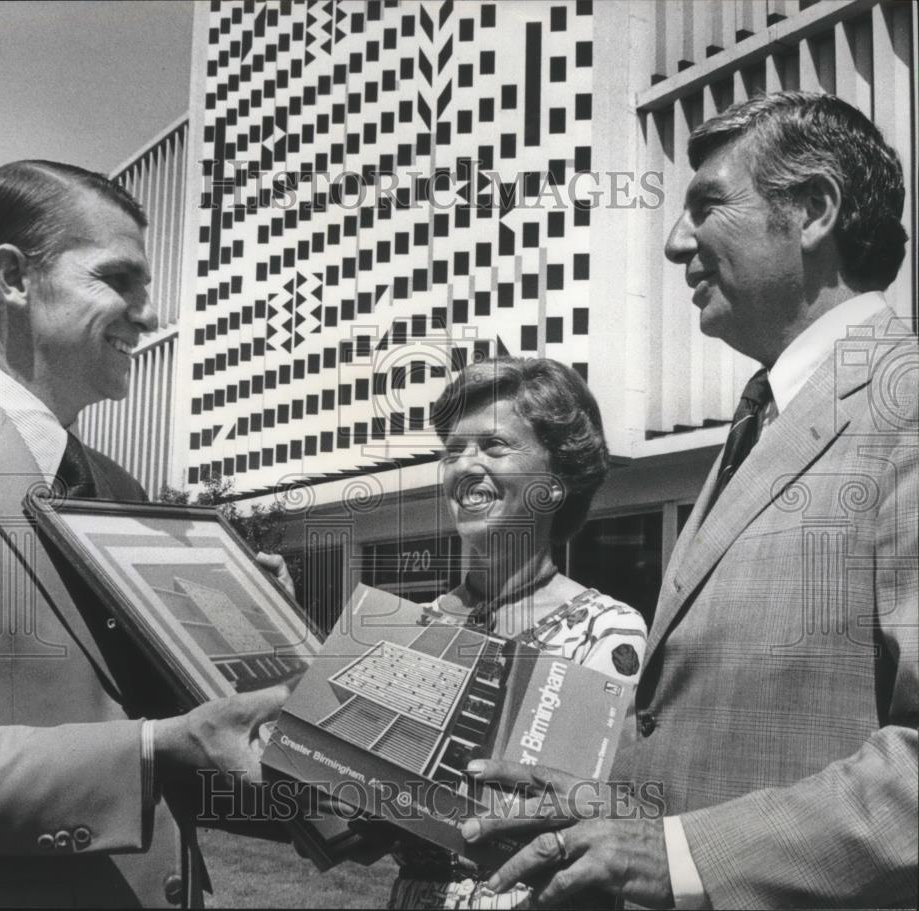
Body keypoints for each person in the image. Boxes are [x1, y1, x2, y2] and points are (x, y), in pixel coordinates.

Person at [459, 92, 918, 908]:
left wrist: (677, 851)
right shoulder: (765, 417)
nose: (677, 242)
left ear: (814, 210)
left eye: (708, 204)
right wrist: (615, 808)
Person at [0, 161, 291, 907]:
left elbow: (188, 748)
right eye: (117, 280)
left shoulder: (120, 491)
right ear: (13, 279)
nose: (145, 316)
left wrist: (245, 653)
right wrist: (153, 750)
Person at [387, 357, 647, 909]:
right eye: (452, 451)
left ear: (556, 483)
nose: (464, 466)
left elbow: (584, 813)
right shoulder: (414, 626)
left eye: (493, 447)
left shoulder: (605, 630)